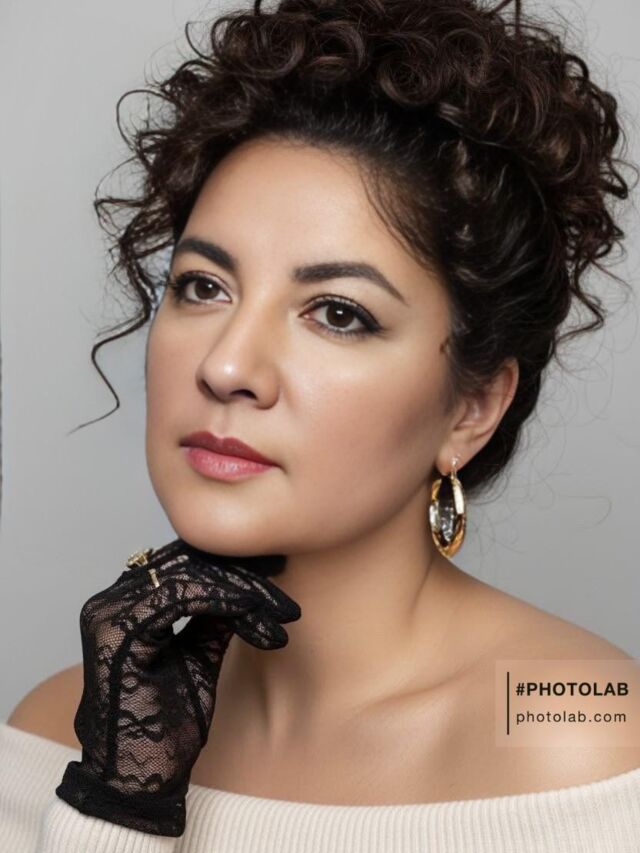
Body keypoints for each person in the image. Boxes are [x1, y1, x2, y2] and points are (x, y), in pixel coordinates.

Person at [2, 0, 640, 850]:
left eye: (338, 312)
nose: (227, 366)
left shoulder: (578, 730)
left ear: (472, 407)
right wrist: (119, 805)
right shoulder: (56, 736)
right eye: (202, 286)